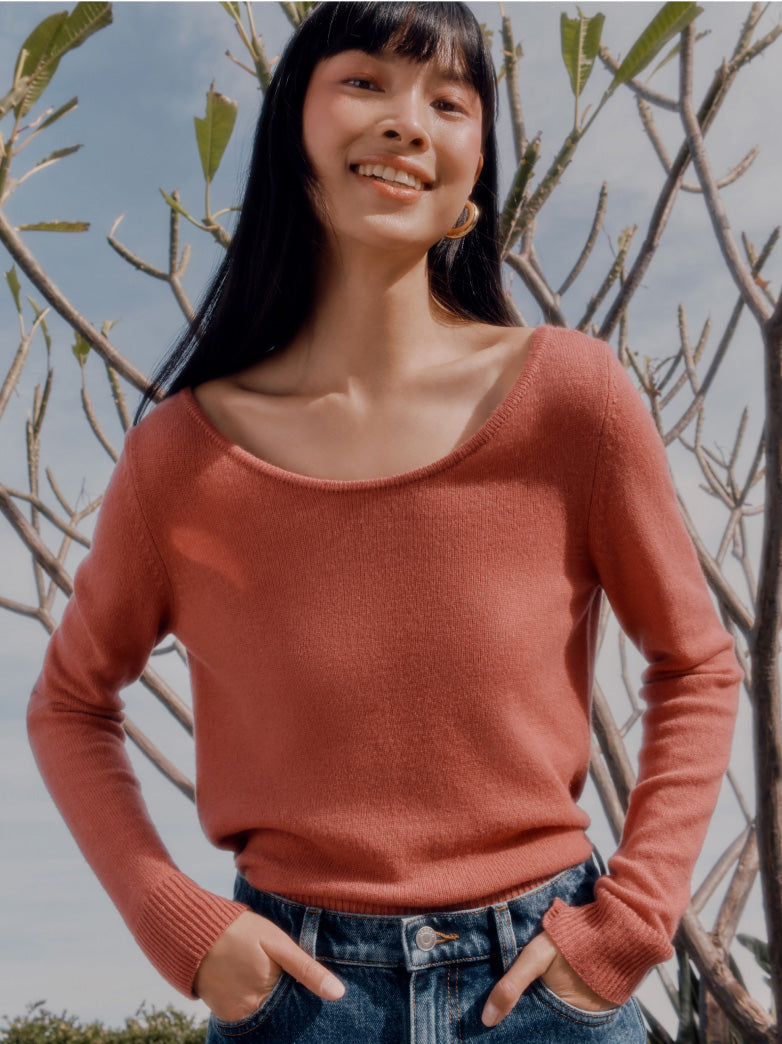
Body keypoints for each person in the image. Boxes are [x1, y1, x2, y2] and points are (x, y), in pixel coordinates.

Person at [27, 3, 743, 1041]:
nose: (408, 121)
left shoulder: (572, 402)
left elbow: (695, 664)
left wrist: (624, 929)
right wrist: (174, 922)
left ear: (474, 166)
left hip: (547, 991)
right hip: (294, 999)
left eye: (448, 101)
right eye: (364, 82)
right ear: (291, 134)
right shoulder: (181, 458)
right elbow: (67, 703)